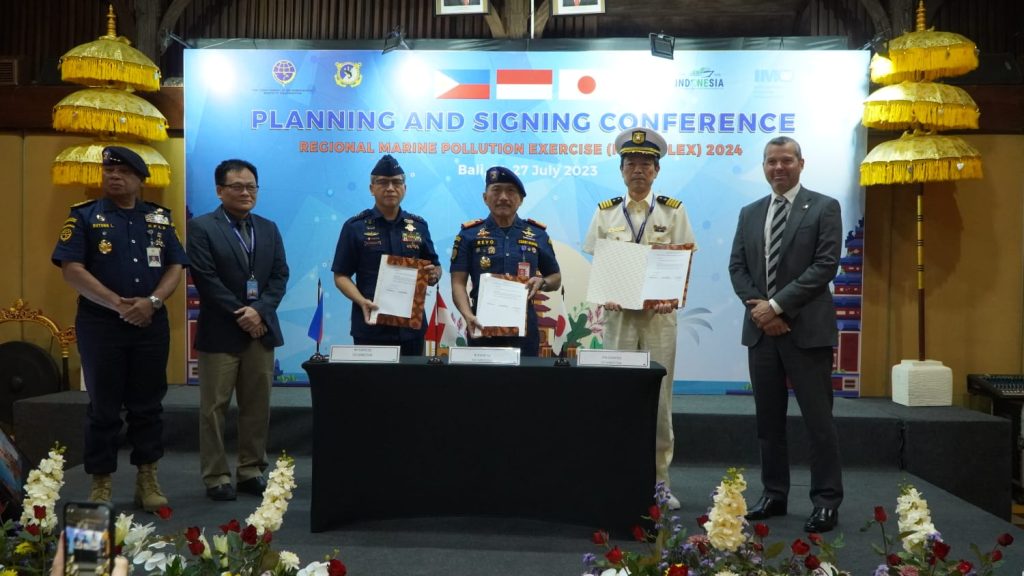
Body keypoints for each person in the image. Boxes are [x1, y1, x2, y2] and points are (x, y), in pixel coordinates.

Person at [51, 146, 187, 511]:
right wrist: (117, 304)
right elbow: (71, 270)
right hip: (101, 326)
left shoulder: (159, 219)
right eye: (109, 170)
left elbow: (175, 265)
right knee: (104, 407)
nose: (114, 176)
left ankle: (147, 478)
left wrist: (152, 302)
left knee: (148, 405)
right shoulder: (84, 216)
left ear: (140, 179)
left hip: (150, 324)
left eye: (124, 171)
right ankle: (101, 482)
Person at [728, 136, 843, 533]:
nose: (779, 167)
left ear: (801, 163)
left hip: (806, 331)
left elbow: (825, 266)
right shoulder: (750, 212)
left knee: (818, 421)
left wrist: (776, 306)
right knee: (768, 422)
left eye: (786, 160)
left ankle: (826, 501)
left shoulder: (824, 207)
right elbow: (737, 268)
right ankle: (774, 494)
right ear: (764, 166)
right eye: (771, 161)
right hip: (762, 333)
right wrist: (762, 312)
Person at [582, 128, 697, 511]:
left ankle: (660, 483)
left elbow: (682, 259)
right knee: (617, 393)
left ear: (656, 170)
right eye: (631, 163)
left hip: (658, 320)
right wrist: (606, 291)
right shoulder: (606, 212)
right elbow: (598, 260)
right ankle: (615, 476)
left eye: (646, 164)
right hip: (619, 319)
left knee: (660, 400)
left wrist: (671, 295)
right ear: (621, 170)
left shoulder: (673, 211)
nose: (638, 170)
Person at [188, 159, 290, 501]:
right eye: (237, 186)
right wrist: (241, 313)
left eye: (251, 187)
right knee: (214, 408)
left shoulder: (268, 228)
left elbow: (280, 276)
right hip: (221, 332)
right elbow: (206, 279)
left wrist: (258, 311)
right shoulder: (202, 228)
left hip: (260, 330)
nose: (246, 192)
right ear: (220, 190)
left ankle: (250, 470)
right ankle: (216, 475)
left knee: (257, 405)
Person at [332, 155, 441, 355]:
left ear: (404, 188)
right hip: (370, 327)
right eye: (383, 182)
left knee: (412, 376)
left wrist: (433, 274)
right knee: (372, 377)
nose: (390, 188)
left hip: (412, 329)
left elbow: (435, 266)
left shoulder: (419, 226)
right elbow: (340, 275)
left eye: (396, 182)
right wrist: (361, 300)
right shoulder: (354, 227)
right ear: (371, 188)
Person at [450, 167, 561, 355]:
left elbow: (555, 278)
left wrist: (542, 282)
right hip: (481, 325)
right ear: (485, 197)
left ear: (521, 199)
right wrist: (467, 315)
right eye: (496, 190)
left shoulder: (537, 234)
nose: (503, 197)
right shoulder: (469, 235)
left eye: (510, 191)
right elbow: (458, 283)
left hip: (525, 329)